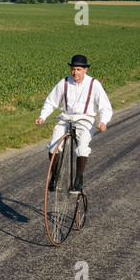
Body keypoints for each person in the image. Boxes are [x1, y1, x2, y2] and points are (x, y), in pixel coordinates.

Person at [35, 55, 113, 192]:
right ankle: (54, 175)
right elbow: (51, 102)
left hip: (85, 119)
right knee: (53, 146)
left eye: (78, 69)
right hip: (66, 117)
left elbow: (105, 107)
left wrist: (103, 121)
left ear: (85, 70)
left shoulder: (94, 84)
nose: (75, 72)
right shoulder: (64, 83)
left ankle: (78, 178)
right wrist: (42, 116)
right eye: (73, 69)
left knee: (82, 147)